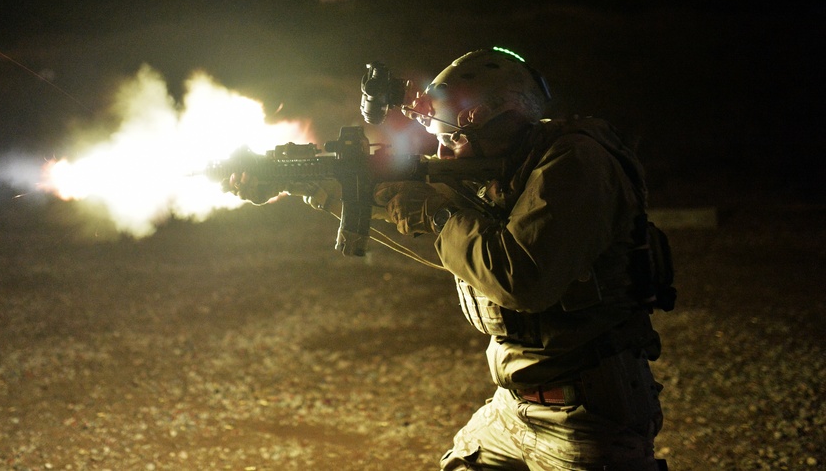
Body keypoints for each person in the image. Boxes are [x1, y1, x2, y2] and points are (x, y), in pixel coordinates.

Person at [227, 47, 670, 470]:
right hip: (514, 406)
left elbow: (520, 277)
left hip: (587, 416)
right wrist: (304, 184)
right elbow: (413, 214)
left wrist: (436, 212)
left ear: (496, 124)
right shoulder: (504, 166)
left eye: (451, 140)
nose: (438, 155)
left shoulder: (575, 163)